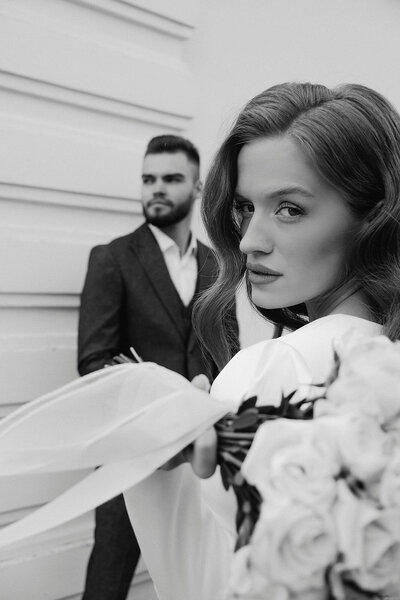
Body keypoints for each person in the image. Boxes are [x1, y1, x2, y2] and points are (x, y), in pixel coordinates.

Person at [122, 82, 400, 600]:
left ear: (372, 217)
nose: (249, 240)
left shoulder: (273, 370)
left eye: (290, 209)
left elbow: (203, 588)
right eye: (245, 208)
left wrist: (153, 465)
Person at [78, 134, 239, 600]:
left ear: (198, 186)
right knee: (108, 579)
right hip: (130, 452)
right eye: (148, 179)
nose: (157, 189)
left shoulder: (218, 265)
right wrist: (161, 399)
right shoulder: (112, 258)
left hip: (203, 454)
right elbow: (94, 360)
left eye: (171, 178)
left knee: (201, 576)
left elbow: (226, 355)